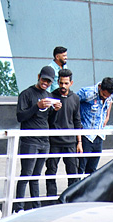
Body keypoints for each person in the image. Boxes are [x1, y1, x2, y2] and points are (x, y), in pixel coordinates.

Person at [16, 66, 58, 210]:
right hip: (29, 139)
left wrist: (56, 110)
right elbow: (20, 116)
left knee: (36, 175)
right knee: (26, 174)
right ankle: (18, 207)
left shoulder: (50, 96)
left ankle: (36, 206)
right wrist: (36, 106)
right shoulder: (26, 94)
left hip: (44, 140)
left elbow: (50, 119)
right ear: (38, 76)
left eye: (49, 81)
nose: (45, 83)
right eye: (44, 79)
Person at [45, 69, 81, 200]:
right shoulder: (51, 96)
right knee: (50, 171)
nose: (63, 86)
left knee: (73, 173)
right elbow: (47, 119)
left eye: (66, 83)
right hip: (53, 141)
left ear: (71, 83)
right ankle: (50, 199)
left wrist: (79, 142)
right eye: (61, 83)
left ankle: (72, 198)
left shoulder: (75, 98)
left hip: (70, 141)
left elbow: (77, 120)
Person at [75, 77, 113, 177]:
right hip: (86, 134)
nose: (105, 97)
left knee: (92, 169)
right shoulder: (86, 93)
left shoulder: (109, 94)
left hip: (99, 135)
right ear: (100, 87)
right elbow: (72, 102)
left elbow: (109, 101)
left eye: (108, 96)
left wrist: (107, 116)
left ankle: (89, 191)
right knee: (80, 167)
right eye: (103, 95)